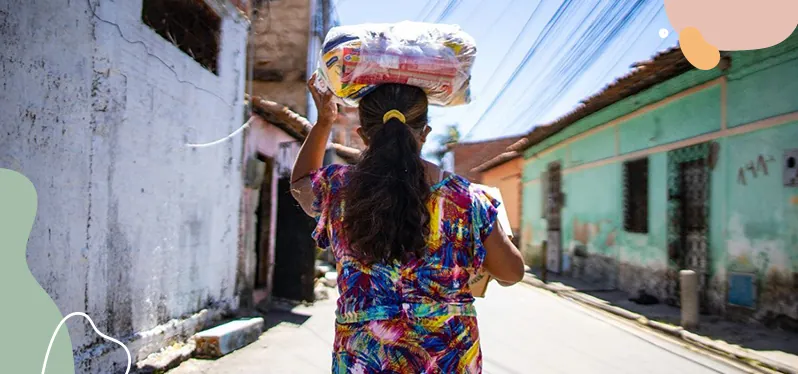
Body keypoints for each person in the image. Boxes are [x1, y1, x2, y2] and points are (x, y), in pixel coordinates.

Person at [291, 74, 525, 374]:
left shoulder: (340, 189)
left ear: (363, 134)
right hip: (446, 359)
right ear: (425, 132)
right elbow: (512, 272)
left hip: (365, 359)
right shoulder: (466, 198)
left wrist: (324, 122)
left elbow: (299, 185)